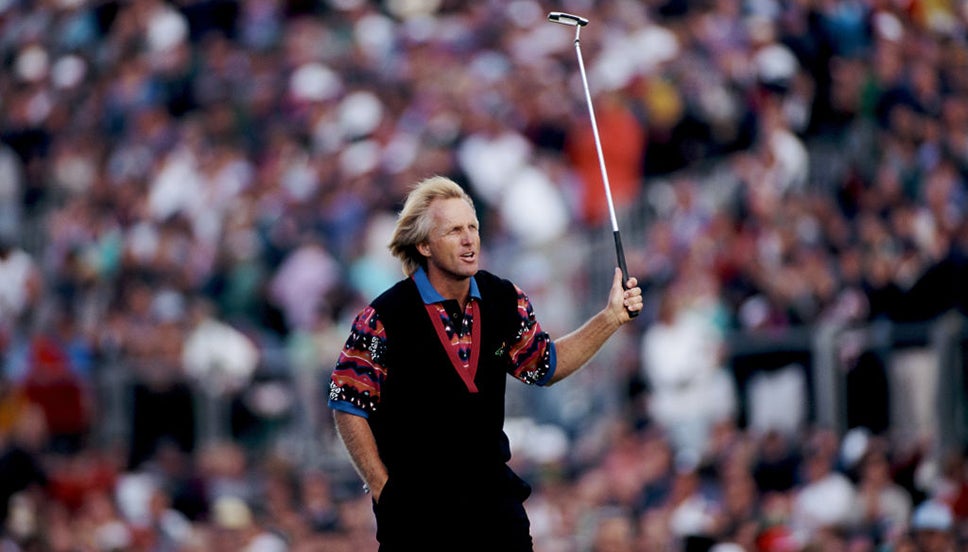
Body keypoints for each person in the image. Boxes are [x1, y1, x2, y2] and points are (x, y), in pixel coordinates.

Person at [327, 176, 643, 551]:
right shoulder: (383, 317)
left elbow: (546, 365)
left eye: (472, 227)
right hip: (417, 513)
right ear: (424, 244)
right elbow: (347, 402)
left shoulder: (506, 299)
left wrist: (610, 318)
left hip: (494, 506)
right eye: (454, 230)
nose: (468, 238)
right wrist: (383, 488)